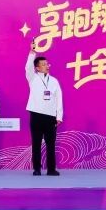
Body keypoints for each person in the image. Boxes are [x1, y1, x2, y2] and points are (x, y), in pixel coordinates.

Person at [26, 40, 63, 176]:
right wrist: (32, 52)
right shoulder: (32, 78)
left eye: (47, 64)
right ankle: (37, 168)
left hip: (50, 117)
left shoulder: (54, 81)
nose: (46, 66)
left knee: (51, 143)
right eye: (43, 64)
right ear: (37, 68)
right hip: (36, 115)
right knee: (36, 143)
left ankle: (51, 169)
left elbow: (59, 98)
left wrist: (59, 116)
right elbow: (28, 67)